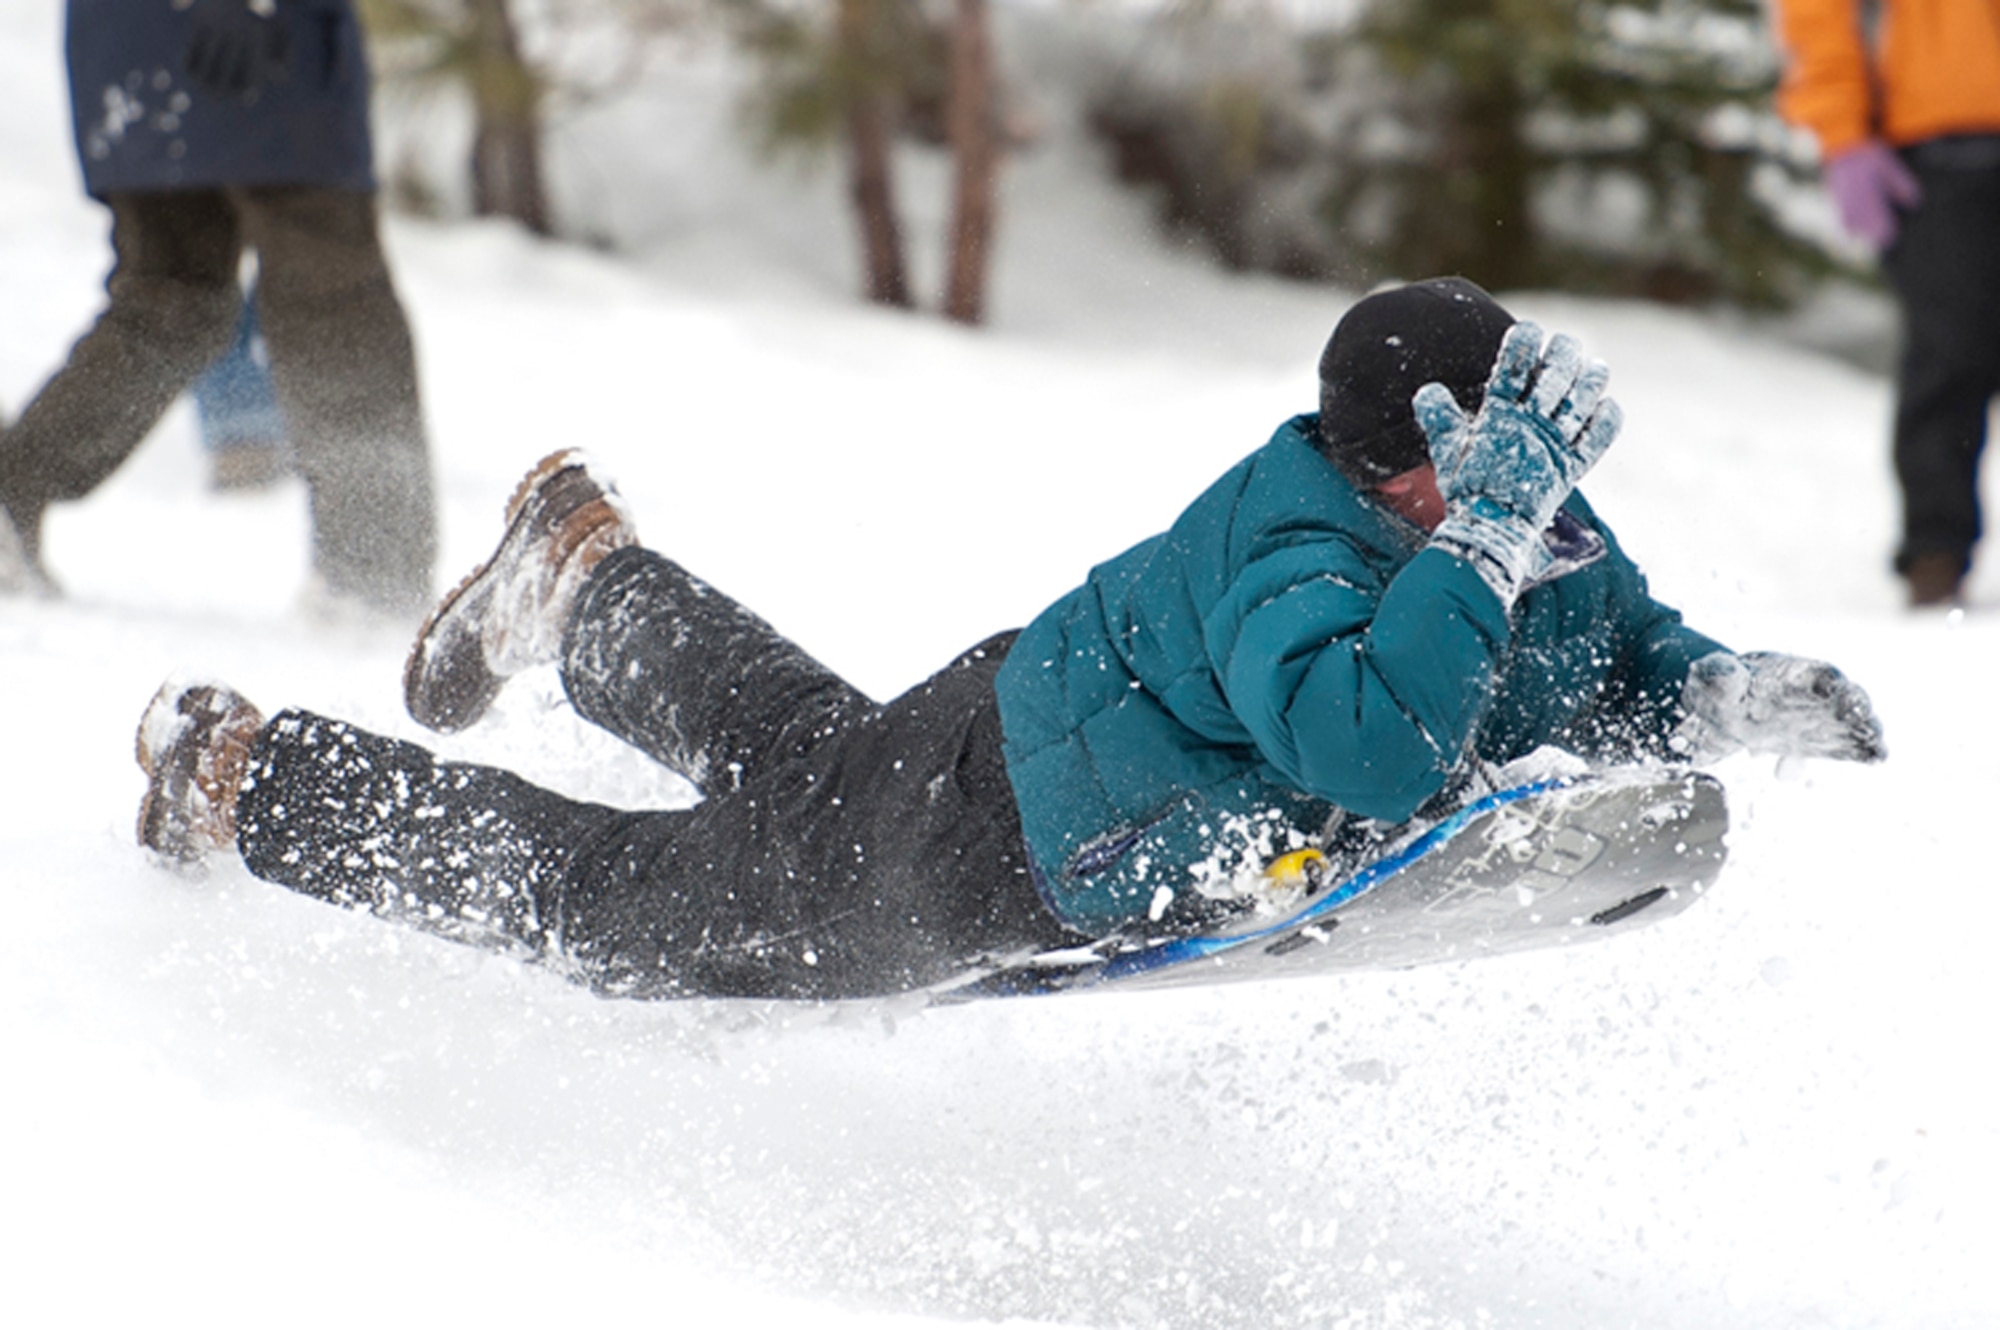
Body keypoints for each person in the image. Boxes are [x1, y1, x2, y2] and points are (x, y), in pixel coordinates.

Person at [130, 279, 1887, 1002]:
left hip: (1008, 746)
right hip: (1011, 825)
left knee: (796, 770)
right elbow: (1370, 744)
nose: (1521, 502)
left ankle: (580, 583)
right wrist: (1488, 544)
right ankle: (248, 771)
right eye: (1481, 476)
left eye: (1524, 460)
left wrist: (1712, 694)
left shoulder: (1508, 518)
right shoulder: (1297, 548)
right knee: (629, 917)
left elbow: (1606, 654)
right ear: (1393, 462)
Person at [0, 0, 435, 615]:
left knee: (171, 299)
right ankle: (373, 575)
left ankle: (8, 489)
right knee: (334, 301)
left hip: (133, 45)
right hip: (258, 40)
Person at [1770, 0, 2000, 607]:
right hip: (1935, 151)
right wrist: (1843, 136)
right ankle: (1936, 552)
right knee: (1952, 354)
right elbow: (1819, 19)